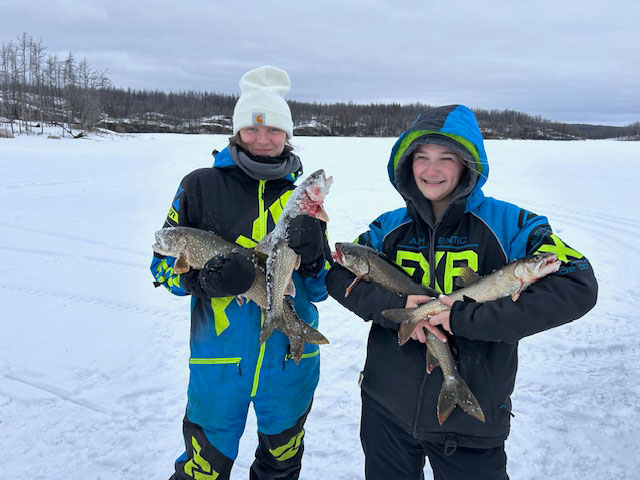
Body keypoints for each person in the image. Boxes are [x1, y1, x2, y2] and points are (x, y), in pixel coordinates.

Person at [325, 104, 598, 480]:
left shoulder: (513, 224)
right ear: (407, 164)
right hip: (385, 411)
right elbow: (336, 276)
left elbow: (578, 283)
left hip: (471, 423)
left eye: (446, 158)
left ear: (468, 163)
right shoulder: (387, 227)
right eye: (421, 157)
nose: (431, 170)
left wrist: (463, 319)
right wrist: (395, 306)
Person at [151, 65, 331, 480]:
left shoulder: (301, 200)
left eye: (274, 131)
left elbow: (320, 289)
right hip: (219, 362)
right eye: (252, 128)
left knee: (281, 466)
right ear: (236, 132)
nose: (263, 140)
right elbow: (160, 265)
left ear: (288, 135)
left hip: (290, 363)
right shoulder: (198, 185)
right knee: (202, 470)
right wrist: (200, 280)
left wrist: (317, 256)